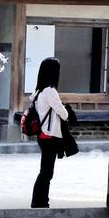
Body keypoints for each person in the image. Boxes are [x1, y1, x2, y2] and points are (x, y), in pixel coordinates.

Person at [27, 57, 68, 209]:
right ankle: (40, 203)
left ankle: (41, 201)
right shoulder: (50, 91)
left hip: (42, 135)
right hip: (49, 135)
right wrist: (65, 109)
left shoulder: (39, 90)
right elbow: (64, 114)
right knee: (46, 172)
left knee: (45, 171)